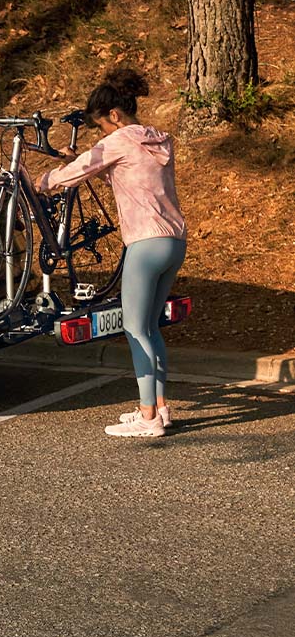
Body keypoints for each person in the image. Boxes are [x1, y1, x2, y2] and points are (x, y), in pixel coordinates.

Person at [36, 68, 187, 438]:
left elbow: (73, 175)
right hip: (174, 241)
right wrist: (89, 161)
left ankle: (147, 416)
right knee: (151, 327)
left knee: (135, 328)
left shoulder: (120, 140)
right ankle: (161, 408)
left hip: (145, 244)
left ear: (114, 116)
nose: (104, 133)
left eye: (102, 126)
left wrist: (42, 182)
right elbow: (125, 174)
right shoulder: (158, 141)